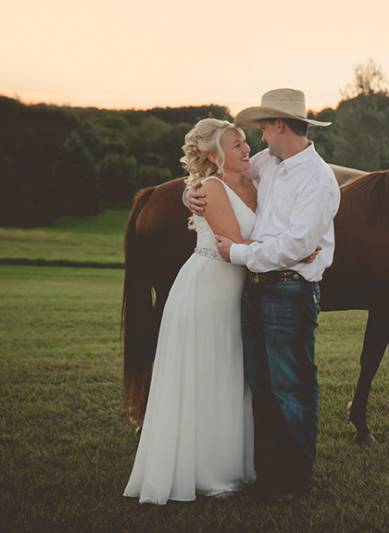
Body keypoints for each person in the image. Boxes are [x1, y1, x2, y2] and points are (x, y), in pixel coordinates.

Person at [186, 88, 340, 499]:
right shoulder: (270, 163)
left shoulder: (318, 179)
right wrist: (191, 193)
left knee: (292, 388)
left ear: (279, 125)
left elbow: (293, 246)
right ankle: (267, 473)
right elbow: (224, 175)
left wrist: (237, 252)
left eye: (262, 129)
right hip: (255, 290)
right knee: (262, 387)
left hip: (289, 291)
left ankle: (292, 481)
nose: (258, 139)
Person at [124, 118, 257, 504]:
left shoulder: (253, 178)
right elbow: (235, 242)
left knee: (231, 377)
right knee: (207, 377)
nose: (246, 149)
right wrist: (296, 248)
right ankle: (205, 471)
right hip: (208, 290)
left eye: (246, 141)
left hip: (234, 291)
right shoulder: (210, 187)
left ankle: (232, 463)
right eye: (236, 145)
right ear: (215, 156)